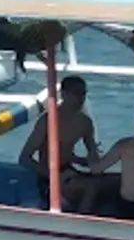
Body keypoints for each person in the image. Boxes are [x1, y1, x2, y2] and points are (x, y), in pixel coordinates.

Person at [17, 75, 99, 208]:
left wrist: (89, 163)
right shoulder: (48, 121)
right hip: (48, 175)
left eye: (83, 93)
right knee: (85, 193)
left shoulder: (85, 123)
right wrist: (55, 177)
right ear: (64, 94)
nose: (81, 98)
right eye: (76, 93)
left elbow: (92, 154)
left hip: (69, 171)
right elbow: (25, 158)